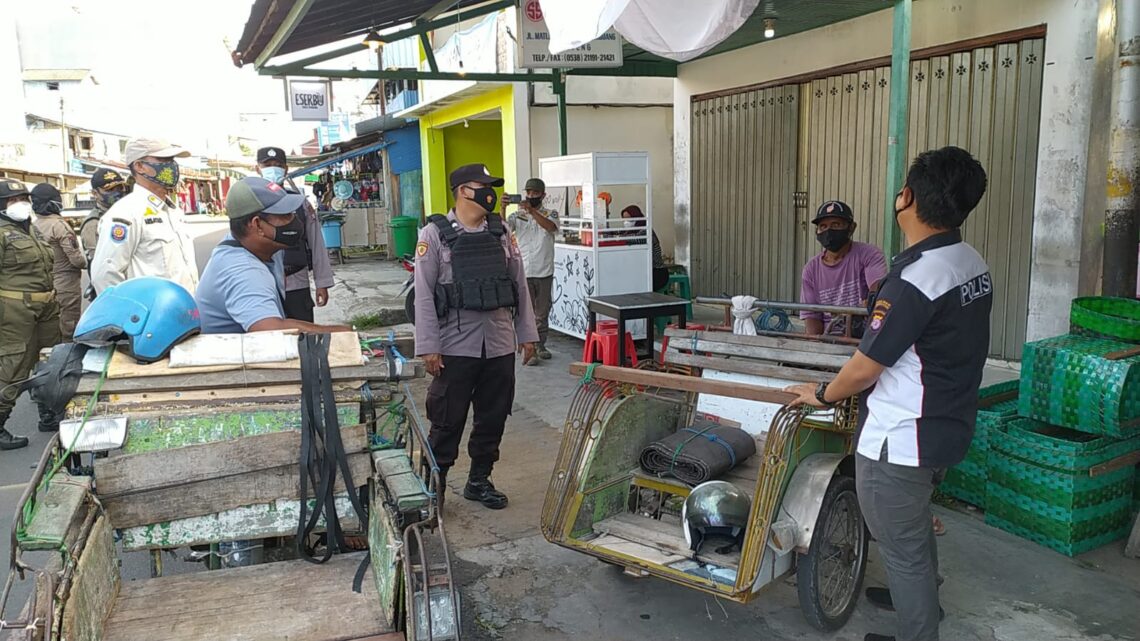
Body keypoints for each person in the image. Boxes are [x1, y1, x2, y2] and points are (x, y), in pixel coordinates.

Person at [786, 146, 991, 641]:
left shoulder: (913, 281)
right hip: (947, 421)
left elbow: (864, 368)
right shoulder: (968, 261)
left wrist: (822, 393)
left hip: (901, 438)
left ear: (909, 198)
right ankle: (920, 596)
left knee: (900, 544)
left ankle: (918, 623)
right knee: (913, 532)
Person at [414, 163, 539, 510]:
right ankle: (433, 490)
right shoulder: (434, 235)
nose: (489, 192)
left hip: (498, 342)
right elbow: (424, 294)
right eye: (481, 185)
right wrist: (428, 347)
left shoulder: (501, 232)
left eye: (491, 185)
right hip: (454, 345)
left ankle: (479, 480)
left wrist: (527, 334)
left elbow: (519, 284)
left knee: (493, 415)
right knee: (446, 419)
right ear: (461, 190)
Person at [196, 177, 349, 335]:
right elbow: (270, 330)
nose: (294, 220)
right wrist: (342, 334)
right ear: (256, 224)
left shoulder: (250, 244)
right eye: (285, 215)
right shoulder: (245, 270)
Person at [90, 138, 199, 295]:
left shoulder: (173, 211)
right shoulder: (126, 213)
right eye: (163, 160)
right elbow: (105, 276)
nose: (172, 166)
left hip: (187, 312)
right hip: (154, 317)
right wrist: (135, 315)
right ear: (139, 166)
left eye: (172, 160)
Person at [0, 180, 62, 450]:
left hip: (46, 306)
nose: (21, 203)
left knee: (50, 361)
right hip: (15, 311)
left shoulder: (31, 230)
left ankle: (48, 414)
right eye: (13, 199)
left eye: (23, 197)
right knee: (14, 366)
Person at [255, 146, 334, 323]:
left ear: (286, 169)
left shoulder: (299, 203)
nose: (273, 168)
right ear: (257, 169)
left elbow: (316, 242)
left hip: (297, 282)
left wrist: (322, 283)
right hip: (262, 284)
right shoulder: (251, 202)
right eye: (267, 164)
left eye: (278, 164)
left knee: (304, 337)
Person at [800, 200, 887, 337]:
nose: (829, 231)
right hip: (829, 339)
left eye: (836, 225)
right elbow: (812, 317)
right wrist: (815, 347)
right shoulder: (811, 269)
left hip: (863, 338)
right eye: (823, 226)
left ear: (851, 228)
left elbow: (878, 291)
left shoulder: (869, 254)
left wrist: (868, 301)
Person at [503, 177, 558, 365]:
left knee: (542, 312)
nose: (531, 195)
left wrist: (533, 211)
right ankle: (529, 348)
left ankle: (540, 345)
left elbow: (551, 227)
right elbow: (502, 230)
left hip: (544, 270)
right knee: (525, 311)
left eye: (535, 193)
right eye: (529, 193)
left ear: (543, 195)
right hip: (524, 270)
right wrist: (502, 208)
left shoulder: (551, 213)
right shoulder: (517, 216)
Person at [30, 184, 86, 340]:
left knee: (50, 328)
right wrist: (88, 261)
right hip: (66, 284)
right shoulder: (59, 226)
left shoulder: (32, 226)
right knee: (69, 327)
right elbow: (77, 260)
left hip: (43, 285)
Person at [79, 168, 130, 265]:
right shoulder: (93, 223)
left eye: (119, 188)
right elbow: (98, 261)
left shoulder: (127, 213)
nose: (117, 193)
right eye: (110, 190)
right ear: (95, 193)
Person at [619, 205, 669, 291]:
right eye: (624, 219)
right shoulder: (629, 231)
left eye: (629, 219)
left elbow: (634, 239)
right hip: (642, 271)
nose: (626, 222)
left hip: (656, 273)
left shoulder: (646, 230)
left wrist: (615, 238)